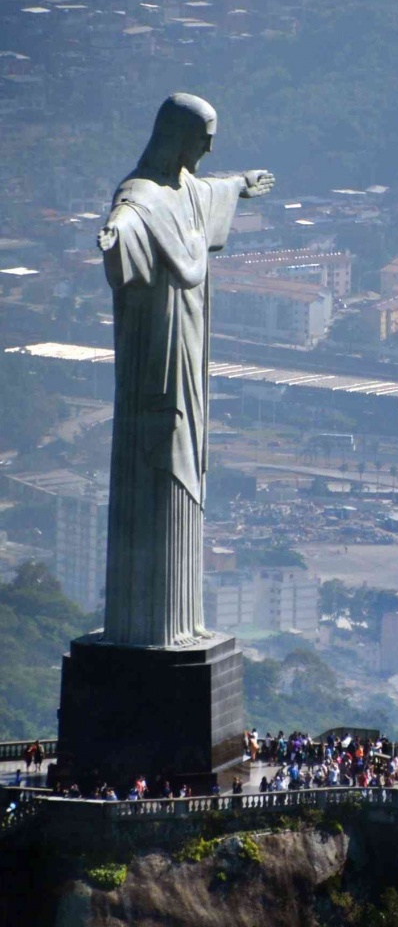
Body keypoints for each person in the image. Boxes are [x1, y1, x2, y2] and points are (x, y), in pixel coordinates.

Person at [97, 93, 273, 646]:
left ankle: (181, 622)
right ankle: (150, 626)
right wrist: (115, 237)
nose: (208, 149)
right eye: (203, 139)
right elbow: (126, 220)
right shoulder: (142, 197)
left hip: (191, 351)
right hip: (157, 355)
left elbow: (206, 191)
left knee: (188, 461)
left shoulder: (187, 190)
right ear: (176, 136)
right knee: (161, 453)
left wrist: (240, 183)